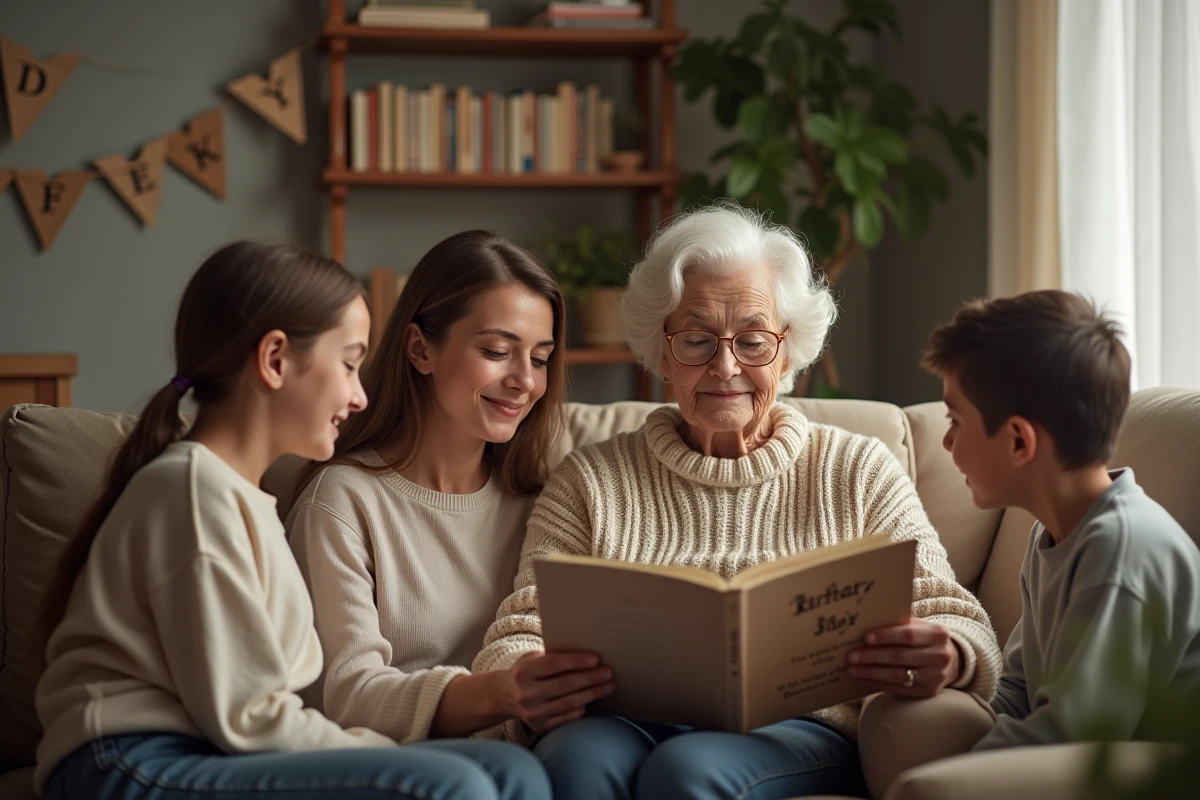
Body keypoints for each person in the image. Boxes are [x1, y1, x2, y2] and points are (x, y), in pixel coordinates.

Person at [473, 204, 1003, 800]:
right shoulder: (591, 478)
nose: (726, 367)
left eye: (752, 341)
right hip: (619, 721)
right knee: (575, 760)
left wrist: (951, 654)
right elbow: (522, 626)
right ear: (663, 353)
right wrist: (522, 676)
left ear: (787, 349)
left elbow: (953, 614)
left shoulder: (856, 470)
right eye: (697, 340)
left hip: (798, 729)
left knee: (686, 771)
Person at [33, 241, 549, 800]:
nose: (357, 396)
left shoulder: (240, 497)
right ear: (276, 360)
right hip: (123, 759)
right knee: (458, 785)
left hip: (200, 749)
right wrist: (387, 755)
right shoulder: (193, 494)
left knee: (510, 774)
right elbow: (250, 716)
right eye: (350, 364)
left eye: (541, 357)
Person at [288, 230, 613, 747]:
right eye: (497, 351)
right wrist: (499, 693)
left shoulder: (549, 501)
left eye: (540, 357)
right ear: (420, 349)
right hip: (405, 766)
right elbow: (348, 695)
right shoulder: (343, 501)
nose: (524, 381)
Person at [921, 290, 1200, 751]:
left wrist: (941, 775)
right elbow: (1017, 692)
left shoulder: (1119, 551)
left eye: (955, 421)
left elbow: (1070, 741)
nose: (947, 443)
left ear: (1018, 442)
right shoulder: (1050, 534)